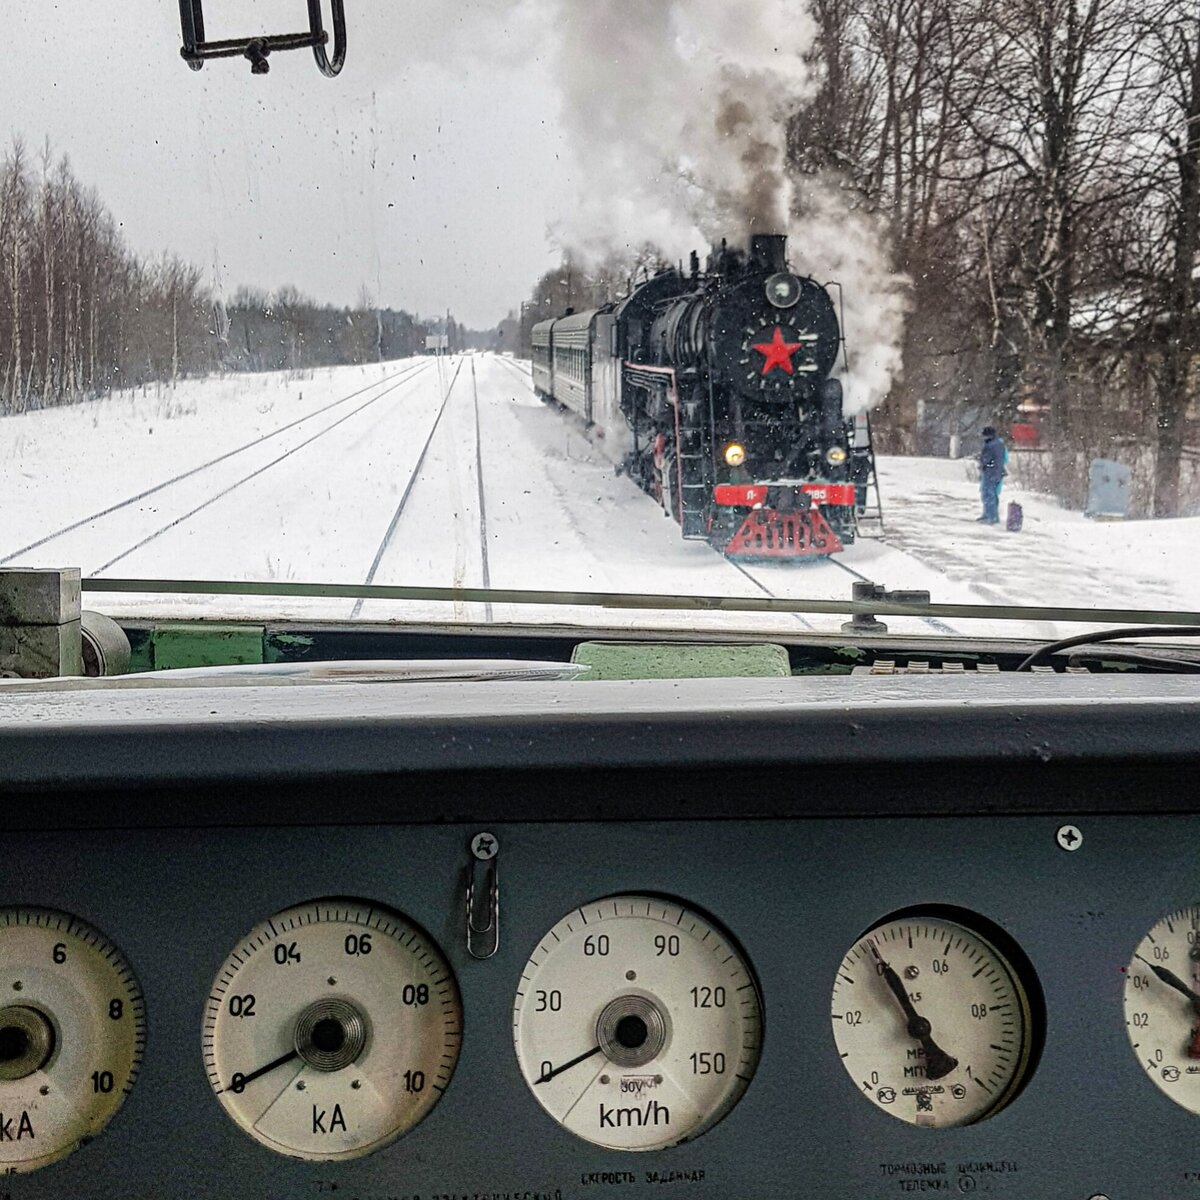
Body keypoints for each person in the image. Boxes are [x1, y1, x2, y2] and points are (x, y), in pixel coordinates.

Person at [977, 426, 1008, 524]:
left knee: (987, 494)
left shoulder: (990, 445)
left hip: (990, 471)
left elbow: (986, 459)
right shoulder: (1000, 443)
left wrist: (981, 462)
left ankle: (990, 516)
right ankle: (992, 515)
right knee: (993, 494)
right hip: (998, 472)